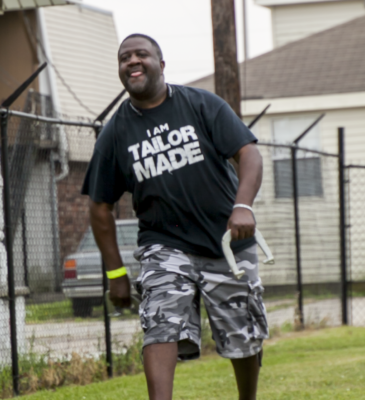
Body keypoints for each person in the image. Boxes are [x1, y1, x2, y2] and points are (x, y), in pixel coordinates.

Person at [82, 34, 268, 400]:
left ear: (161, 64)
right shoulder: (116, 133)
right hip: (164, 245)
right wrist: (116, 274)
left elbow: (248, 154)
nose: (132, 61)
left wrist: (243, 206)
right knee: (160, 323)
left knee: (243, 335)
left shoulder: (201, 104)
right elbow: (99, 207)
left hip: (226, 242)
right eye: (124, 57)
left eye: (141, 54)